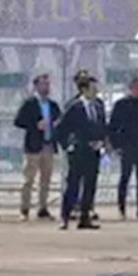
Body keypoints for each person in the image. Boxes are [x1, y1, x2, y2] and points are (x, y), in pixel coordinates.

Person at [56, 76, 107, 230]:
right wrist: (67, 146)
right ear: (84, 89)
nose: (95, 91)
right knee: (73, 184)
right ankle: (65, 216)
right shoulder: (74, 107)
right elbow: (61, 127)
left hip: (94, 150)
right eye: (92, 88)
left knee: (90, 184)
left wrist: (102, 141)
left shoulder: (99, 105)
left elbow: (102, 126)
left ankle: (85, 216)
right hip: (78, 151)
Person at [13, 74, 62, 221]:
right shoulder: (29, 103)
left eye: (47, 85)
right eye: (42, 84)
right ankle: (24, 208)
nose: (46, 88)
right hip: (33, 146)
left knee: (46, 179)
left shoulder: (53, 105)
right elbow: (18, 121)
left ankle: (43, 208)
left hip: (48, 145)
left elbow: (59, 121)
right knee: (28, 179)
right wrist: (34, 125)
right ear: (36, 86)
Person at [109, 76, 138, 219]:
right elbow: (113, 127)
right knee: (125, 177)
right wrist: (117, 145)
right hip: (127, 147)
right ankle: (121, 207)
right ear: (132, 88)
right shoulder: (121, 105)